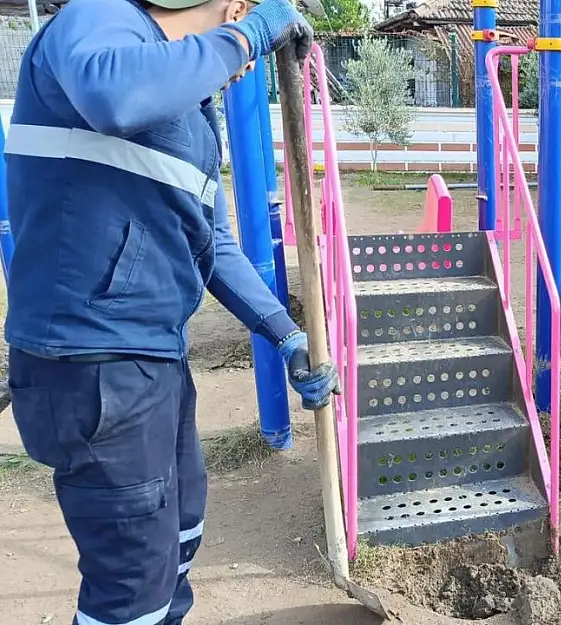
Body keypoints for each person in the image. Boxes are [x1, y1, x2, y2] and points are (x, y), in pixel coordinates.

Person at [3, 1, 334, 624]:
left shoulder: (187, 113)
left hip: (153, 362)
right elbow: (114, 96)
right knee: (130, 588)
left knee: (176, 544)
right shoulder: (99, 21)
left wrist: (284, 332)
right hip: (95, 363)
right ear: (235, 8)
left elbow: (211, 243)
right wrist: (249, 38)